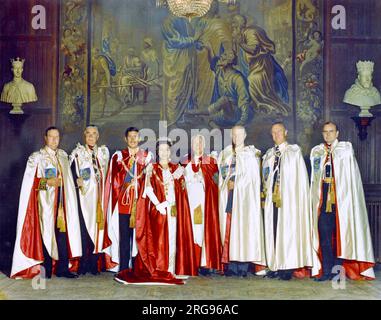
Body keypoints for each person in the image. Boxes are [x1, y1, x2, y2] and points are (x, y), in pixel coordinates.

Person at [114, 138, 197, 285]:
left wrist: (171, 202)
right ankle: (159, 267)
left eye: (167, 149)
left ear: (170, 152)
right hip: (157, 210)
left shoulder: (176, 169)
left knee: (172, 238)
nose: (164, 152)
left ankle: (171, 268)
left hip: (173, 210)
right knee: (159, 240)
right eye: (161, 150)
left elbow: (181, 191)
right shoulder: (151, 168)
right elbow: (147, 189)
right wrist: (158, 204)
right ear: (158, 152)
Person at [11, 127, 81, 279]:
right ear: (45, 138)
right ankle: (46, 268)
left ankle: (62, 269)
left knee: (62, 236)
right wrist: (47, 182)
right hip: (45, 204)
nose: (54, 140)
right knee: (46, 234)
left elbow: (68, 180)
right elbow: (31, 184)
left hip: (63, 204)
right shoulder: (37, 157)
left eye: (57, 137)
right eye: (51, 137)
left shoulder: (63, 156)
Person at [310, 122, 375, 281]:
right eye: (325, 132)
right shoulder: (317, 152)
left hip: (341, 203)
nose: (328, 135)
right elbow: (315, 178)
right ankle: (326, 272)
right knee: (325, 238)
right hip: (324, 201)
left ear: (337, 133)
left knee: (341, 238)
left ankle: (338, 272)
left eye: (331, 131)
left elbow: (347, 176)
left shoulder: (345, 150)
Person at [262, 122, 318, 280]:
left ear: (285, 132)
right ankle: (275, 265)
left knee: (286, 231)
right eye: (273, 133)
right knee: (273, 230)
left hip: (288, 201)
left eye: (279, 131)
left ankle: (286, 267)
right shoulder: (269, 154)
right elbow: (266, 176)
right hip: (272, 199)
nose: (276, 135)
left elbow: (298, 180)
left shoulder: (294, 152)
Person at [104, 127, 153, 282]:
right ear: (125, 139)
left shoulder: (146, 156)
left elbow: (150, 178)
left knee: (139, 237)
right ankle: (124, 269)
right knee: (124, 238)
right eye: (130, 137)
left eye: (135, 136)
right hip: (124, 203)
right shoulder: (118, 156)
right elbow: (114, 180)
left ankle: (139, 268)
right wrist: (127, 171)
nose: (133, 139)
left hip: (140, 204)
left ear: (139, 138)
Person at [218, 126, 266, 277]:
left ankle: (243, 266)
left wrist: (237, 183)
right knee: (229, 228)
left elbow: (253, 179)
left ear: (245, 135)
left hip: (244, 199)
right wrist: (226, 184)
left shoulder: (250, 155)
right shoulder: (225, 154)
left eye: (239, 135)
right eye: (234, 135)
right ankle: (231, 265)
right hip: (229, 196)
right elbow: (221, 174)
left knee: (243, 229)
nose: (236, 137)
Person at [70, 125, 110, 275]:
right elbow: (71, 175)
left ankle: (94, 264)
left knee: (98, 232)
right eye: (88, 134)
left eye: (94, 134)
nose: (91, 137)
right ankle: (83, 264)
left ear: (98, 136)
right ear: (84, 135)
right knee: (84, 231)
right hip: (84, 199)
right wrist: (76, 180)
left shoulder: (103, 153)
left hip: (100, 200)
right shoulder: (77, 154)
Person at [231, 15, 289, 116]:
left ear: (239, 24)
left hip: (261, 65)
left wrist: (241, 44)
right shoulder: (239, 35)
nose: (232, 26)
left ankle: (266, 105)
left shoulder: (251, 32)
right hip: (251, 66)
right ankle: (255, 105)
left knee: (252, 81)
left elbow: (253, 50)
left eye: (234, 23)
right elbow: (236, 56)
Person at [181, 135, 223, 275]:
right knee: (191, 230)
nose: (198, 145)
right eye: (195, 142)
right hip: (189, 202)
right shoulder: (185, 161)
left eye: (200, 142)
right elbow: (177, 181)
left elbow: (217, 183)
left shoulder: (211, 161)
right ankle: (192, 261)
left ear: (204, 145)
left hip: (205, 202)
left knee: (202, 230)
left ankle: (204, 262)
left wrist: (203, 178)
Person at [206, 49, 254, 128]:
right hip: (225, 111)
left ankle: (196, 112)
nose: (221, 56)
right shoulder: (220, 72)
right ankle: (219, 131)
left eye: (224, 55)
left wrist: (241, 122)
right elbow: (212, 61)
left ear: (229, 61)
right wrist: (209, 48)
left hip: (237, 112)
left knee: (224, 100)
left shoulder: (238, 78)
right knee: (210, 120)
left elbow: (244, 102)